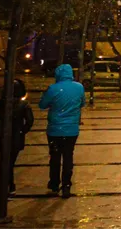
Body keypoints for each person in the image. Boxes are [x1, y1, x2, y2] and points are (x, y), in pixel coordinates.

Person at [39, 63, 85, 198]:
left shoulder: (53, 89)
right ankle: (66, 185)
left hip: (55, 129)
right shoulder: (79, 87)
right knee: (68, 156)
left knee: (54, 157)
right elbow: (82, 103)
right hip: (71, 129)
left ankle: (54, 183)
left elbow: (42, 105)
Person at [0, 78, 34, 195]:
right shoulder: (24, 105)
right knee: (10, 162)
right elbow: (30, 121)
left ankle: (7, 185)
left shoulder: (1, 103)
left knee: (5, 161)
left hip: (3, 136)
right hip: (16, 136)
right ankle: (10, 186)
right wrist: (22, 131)